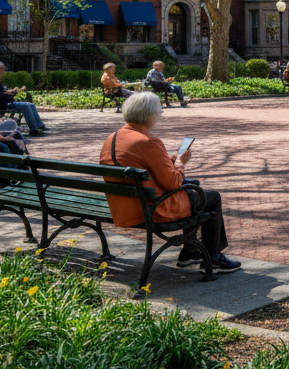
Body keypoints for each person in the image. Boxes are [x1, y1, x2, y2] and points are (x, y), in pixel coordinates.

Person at [99, 92, 239, 272]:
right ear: (148, 115)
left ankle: (190, 252)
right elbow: (173, 183)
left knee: (193, 192)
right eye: (158, 113)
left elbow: (143, 167)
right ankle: (212, 256)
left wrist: (168, 162)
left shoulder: (113, 138)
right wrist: (180, 163)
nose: (159, 117)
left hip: (123, 206)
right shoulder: (148, 141)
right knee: (210, 197)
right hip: (153, 209)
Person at [0, 62, 48, 135]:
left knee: (31, 105)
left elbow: (1, 92)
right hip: (0, 104)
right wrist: (11, 95)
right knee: (26, 106)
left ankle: (39, 126)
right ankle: (34, 129)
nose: (3, 73)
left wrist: (10, 92)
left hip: (3, 102)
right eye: (1, 71)